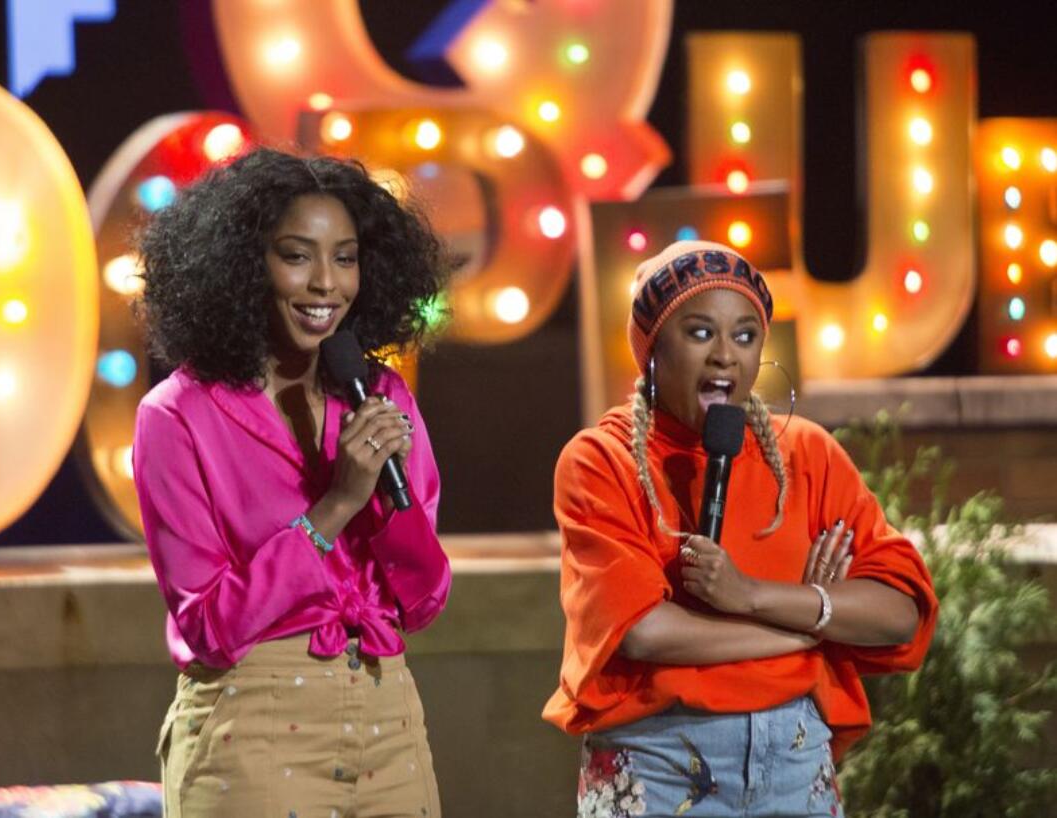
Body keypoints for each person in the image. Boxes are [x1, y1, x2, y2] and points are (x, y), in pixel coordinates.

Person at [543, 240, 938, 817]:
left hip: (794, 754)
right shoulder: (600, 460)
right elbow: (645, 632)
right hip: (658, 757)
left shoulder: (807, 452)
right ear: (651, 349)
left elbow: (898, 610)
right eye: (701, 333)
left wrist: (750, 596)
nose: (726, 355)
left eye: (746, 336)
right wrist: (807, 629)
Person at [133, 147, 451, 818]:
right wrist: (335, 505)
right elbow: (210, 624)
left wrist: (383, 505)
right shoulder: (177, 415)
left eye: (345, 257)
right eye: (297, 255)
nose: (325, 285)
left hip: (388, 718)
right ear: (246, 266)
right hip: (252, 729)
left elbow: (423, 601)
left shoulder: (380, 393)